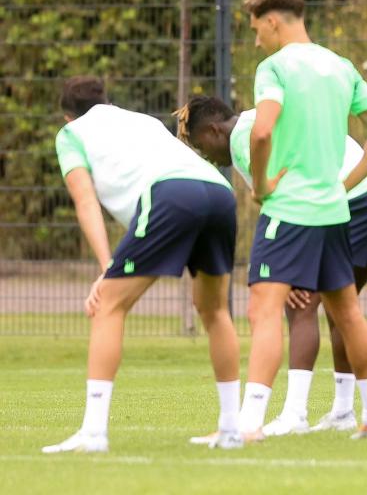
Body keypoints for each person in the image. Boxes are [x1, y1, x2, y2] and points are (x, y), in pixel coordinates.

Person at [176, 96, 367, 436]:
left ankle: (295, 414)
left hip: (354, 198)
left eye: (200, 146)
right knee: (340, 303)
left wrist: (292, 270)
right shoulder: (257, 120)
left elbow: (284, 202)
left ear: (213, 130)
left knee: (301, 302)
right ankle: (344, 412)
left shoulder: (243, 139)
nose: (205, 155)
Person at [234, 0, 367, 440]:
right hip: (333, 211)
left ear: (273, 21)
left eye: (255, 30)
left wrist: (263, 185)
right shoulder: (339, 66)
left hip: (289, 210)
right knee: (348, 314)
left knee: (263, 311)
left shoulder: (275, 67)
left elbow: (262, 132)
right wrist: (344, 184)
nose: (255, 42)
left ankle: (247, 425)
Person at [43, 77, 243, 453]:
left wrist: (106, 269)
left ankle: (93, 434)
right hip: (218, 191)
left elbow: (86, 202)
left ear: (68, 117)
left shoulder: (72, 134)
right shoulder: (141, 121)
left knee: (109, 305)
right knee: (215, 310)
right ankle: (231, 429)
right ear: (106, 101)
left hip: (172, 193)